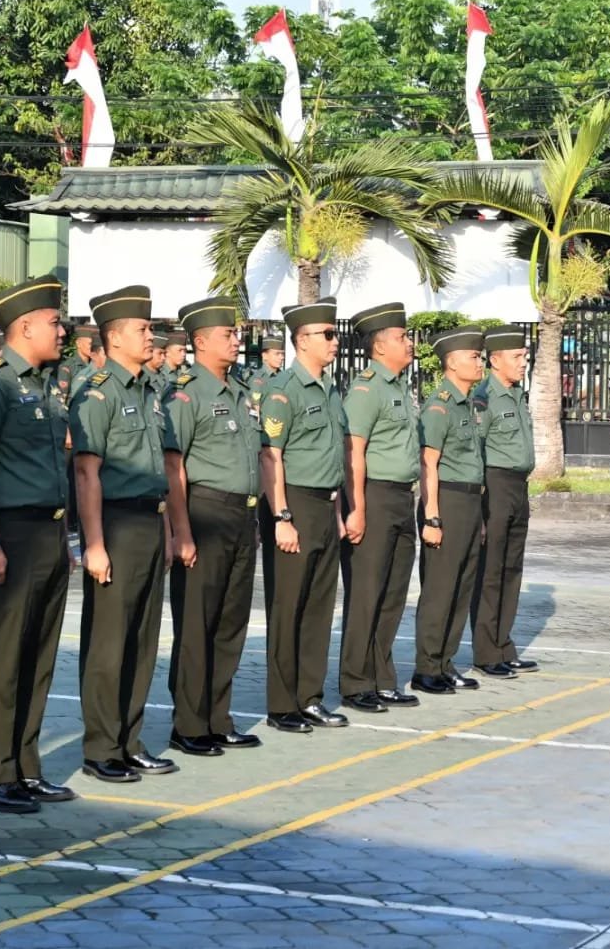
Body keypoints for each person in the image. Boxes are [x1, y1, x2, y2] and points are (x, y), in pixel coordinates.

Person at [0, 275, 75, 814]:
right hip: (7, 534)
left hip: (46, 533)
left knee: (37, 659)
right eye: (53, 321)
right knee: (1, 660)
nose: (62, 328)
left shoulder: (45, 384)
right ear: (24, 326)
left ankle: (24, 767)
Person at [71, 285, 178, 783]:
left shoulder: (149, 391)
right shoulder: (98, 390)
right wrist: (93, 543)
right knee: (109, 641)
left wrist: (171, 529)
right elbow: (87, 473)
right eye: (141, 328)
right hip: (114, 522)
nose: (150, 335)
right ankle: (101, 748)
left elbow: (163, 470)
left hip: (149, 520)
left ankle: (130, 740)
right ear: (114, 338)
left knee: (142, 639)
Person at [163, 297, 263, 756]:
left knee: (229, 621)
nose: (236, 339)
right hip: (205, 512)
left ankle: (218, 717)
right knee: (197, 622)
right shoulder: (187, 393)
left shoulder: (239, 390)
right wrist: (181, 531)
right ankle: (188, 724)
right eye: (228, 334)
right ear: (200, 342)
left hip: (243, 515)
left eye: (236, 332)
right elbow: (174, 466)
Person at [259, 300, 352, 733]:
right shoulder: (284, 391)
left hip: (323, 505)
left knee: (318, 607)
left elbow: (334, 455)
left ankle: (309, 697)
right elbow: (271, 457)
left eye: (334, 334)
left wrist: (335, 511)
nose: (334, 341)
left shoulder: (329, 389)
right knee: (289, 607)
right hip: (293, 503)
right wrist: (281, 515)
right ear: (302, 340)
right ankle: (282, 704)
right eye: (327, 335)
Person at [340, 302, 426, 710]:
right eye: (401, 337)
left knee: (393, 593)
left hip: (400, 498)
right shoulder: (366, 389)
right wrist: (355, 507)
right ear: (378, 347)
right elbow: (353, 450)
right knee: (367, 593)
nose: (409, 343)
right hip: (373, 494)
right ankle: (356, 682)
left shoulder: (399, 388)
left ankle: (381, 676)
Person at [414, 326, 487, 694]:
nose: (480, 362)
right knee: (440, 589)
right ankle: (426, 667)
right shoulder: (439, 405)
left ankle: (445, 662)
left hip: (470, 502)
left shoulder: (468, 404)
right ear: (452, 362)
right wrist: (432, 516)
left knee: (461, 587)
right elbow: (429, 463)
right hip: (447, 500)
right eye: (473, 357)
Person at [471, 325, 539, 677]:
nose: (523, 362)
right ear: (495, 360)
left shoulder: (515, 395)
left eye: (524, 356)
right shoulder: (484, 398)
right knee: (491, 571)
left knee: (511, 569)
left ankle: (503, 644)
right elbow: (476, 450)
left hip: (518, 486)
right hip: (494, 486)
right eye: (517, 357)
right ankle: (486, 652)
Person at [249, 331, 286, 409]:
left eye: (282, 354)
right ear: (265, 356)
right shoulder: (258, 380)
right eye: (277, 354)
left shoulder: (284, 376)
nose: (281, 357)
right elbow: (255, 410)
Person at [145, 333, 170, 398]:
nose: (163, 358)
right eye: (160, 353)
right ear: (149, 352)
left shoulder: (164, 375)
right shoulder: (141, 376)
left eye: (164, 354)